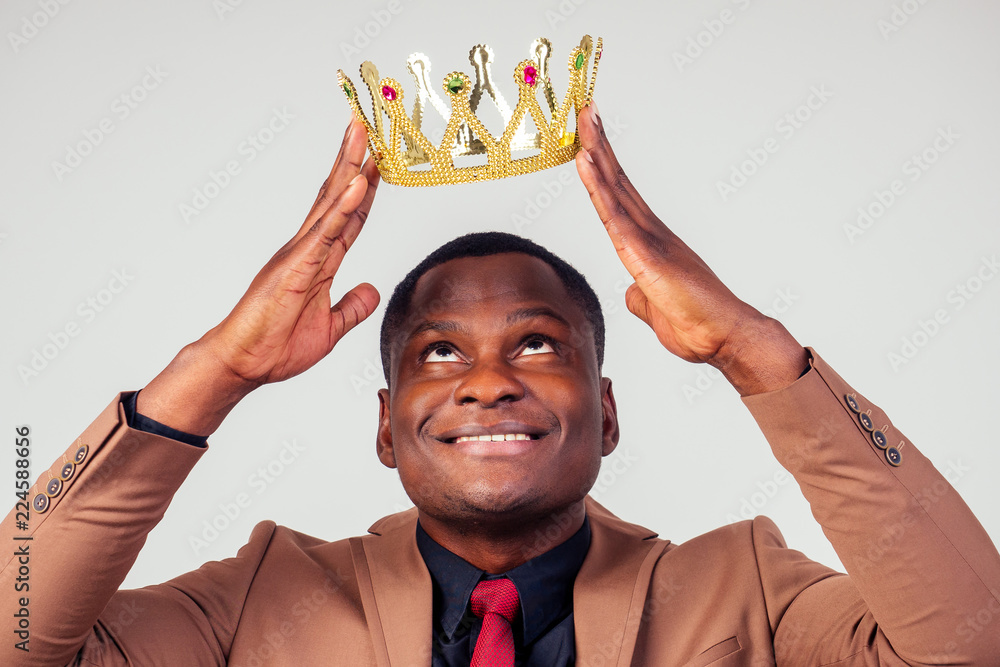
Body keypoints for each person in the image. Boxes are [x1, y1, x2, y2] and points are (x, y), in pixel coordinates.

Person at [3, 102, 999, 666]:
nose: (486, 382)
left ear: (606, 414)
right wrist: (211, 372)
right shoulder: (266, 597)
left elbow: (971, 643)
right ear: (386, 429)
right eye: (439, 352)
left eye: (536, 346)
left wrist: (759, 355)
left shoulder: (744, 592)